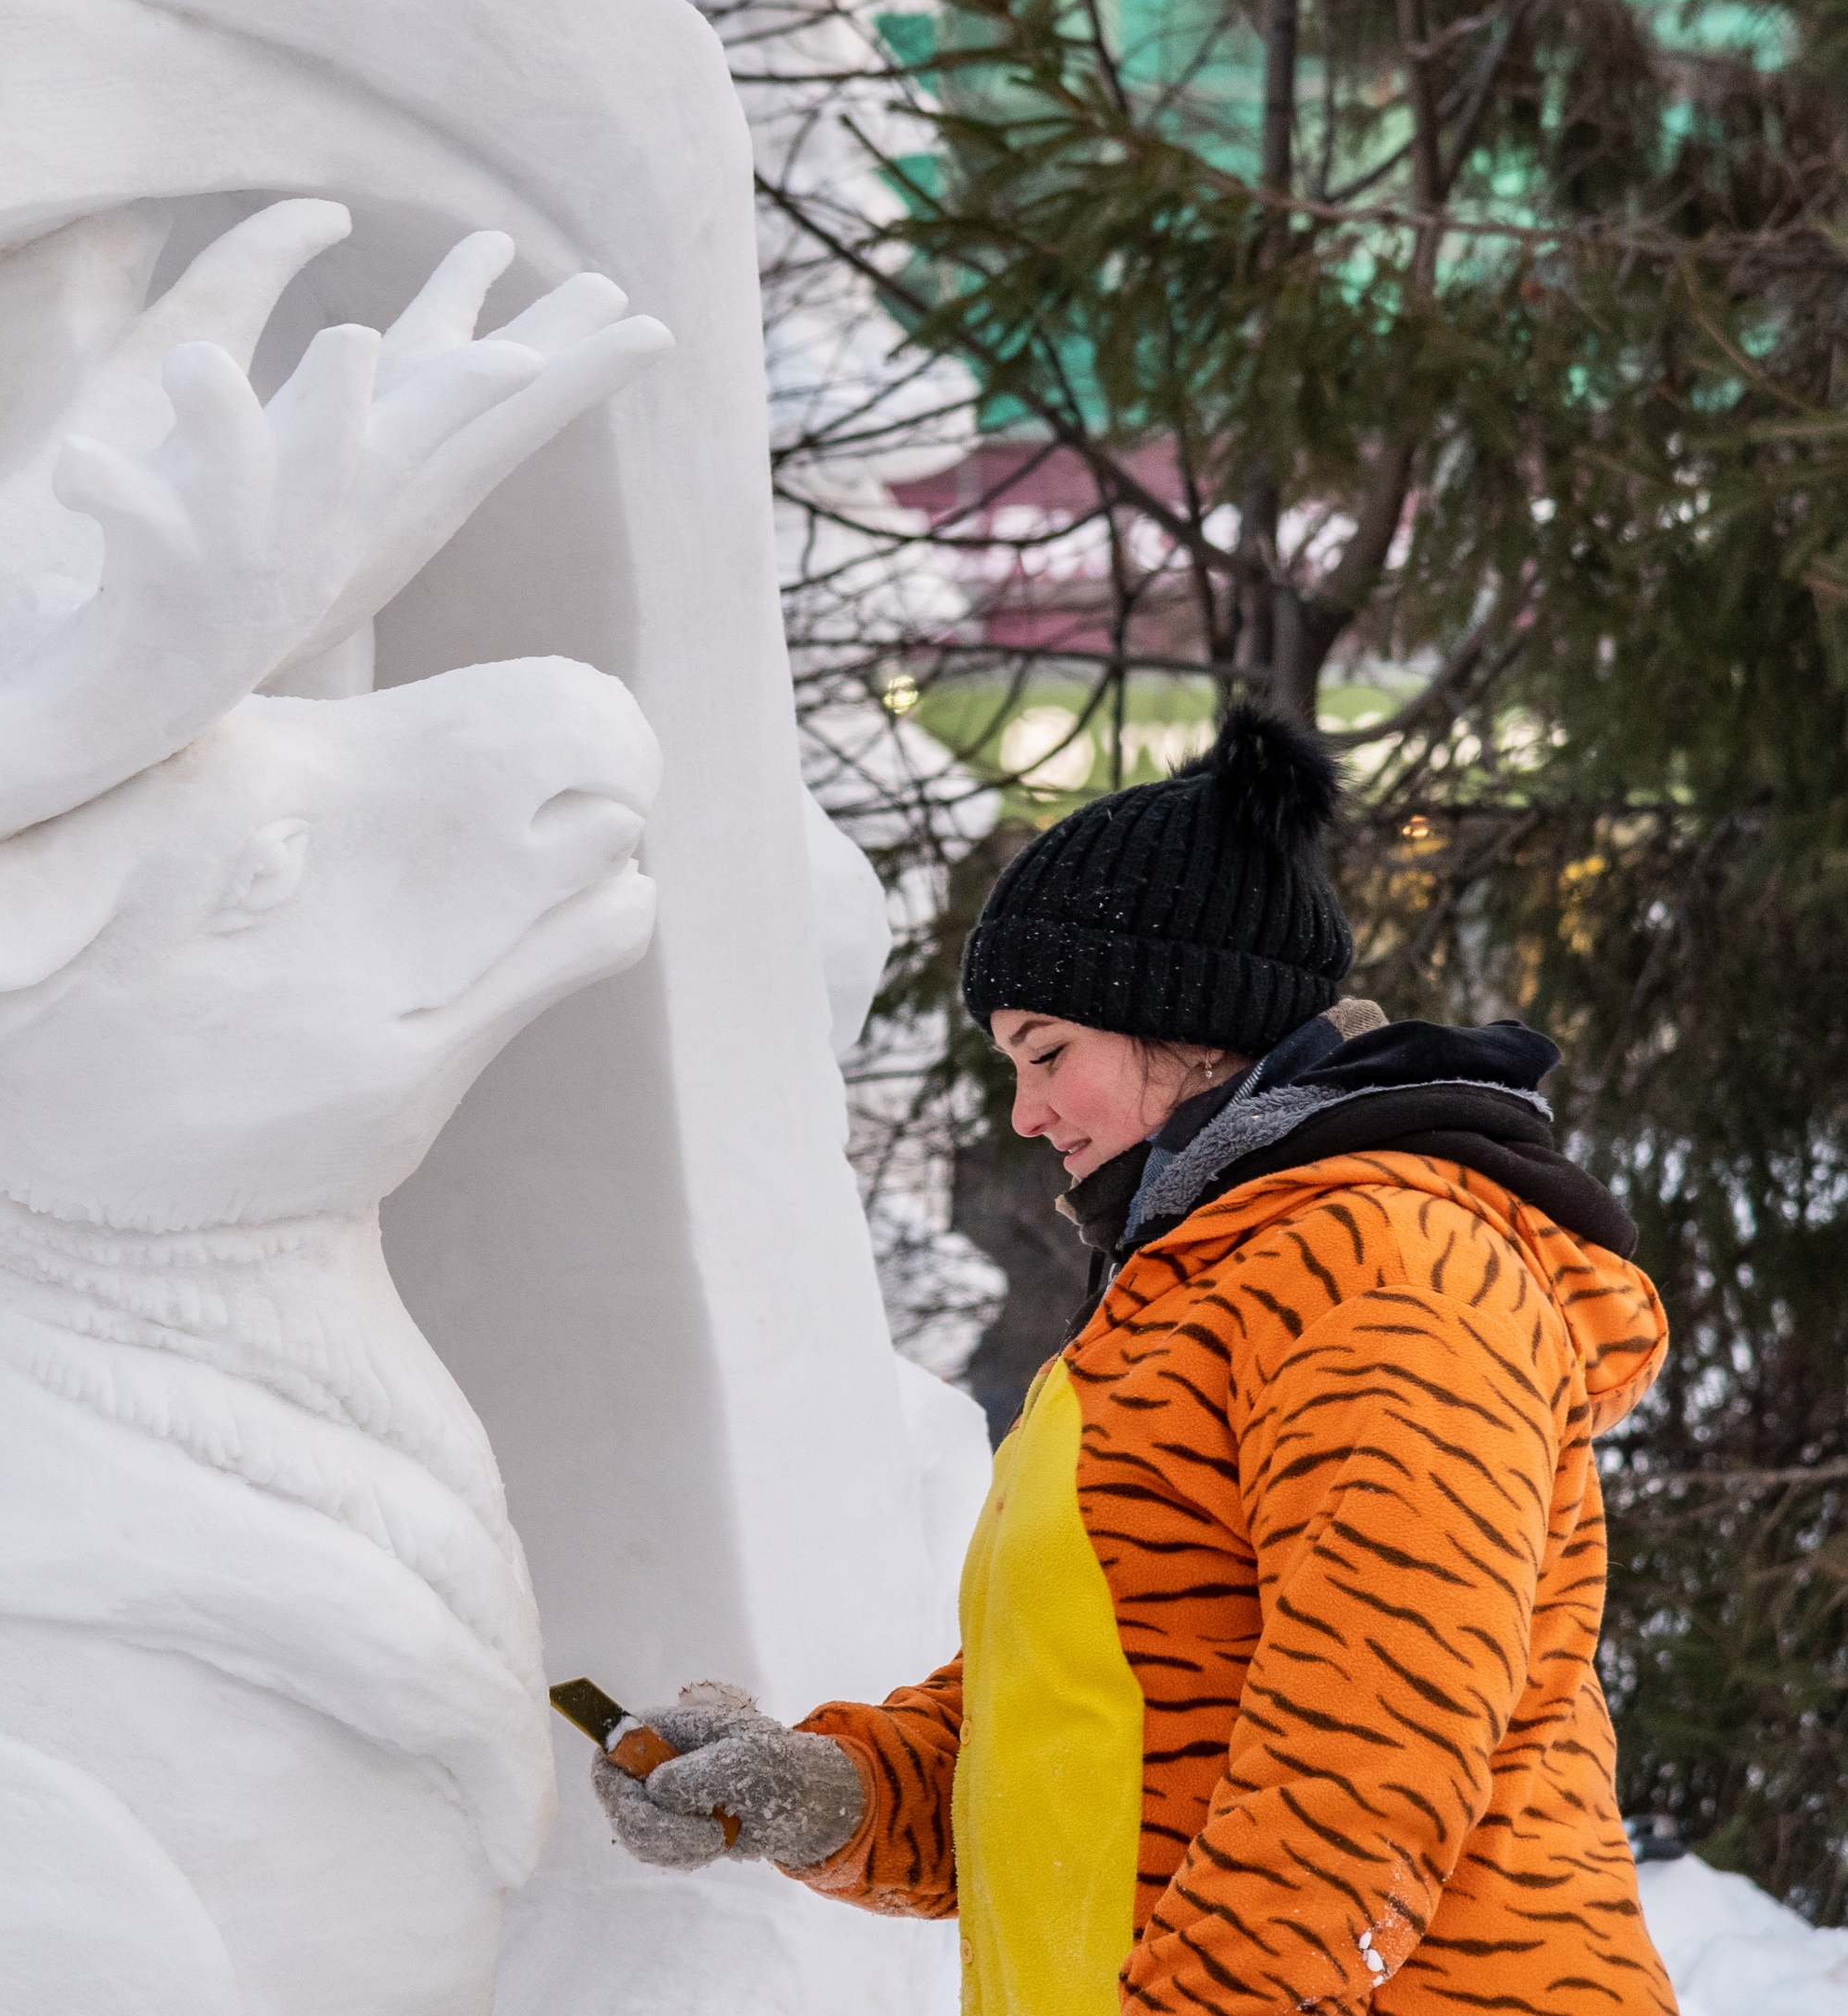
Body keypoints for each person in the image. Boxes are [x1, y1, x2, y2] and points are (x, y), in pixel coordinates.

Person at [592, 705, 1677, 2016]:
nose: (1024, 1111)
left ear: (1190, 1017)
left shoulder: (1379, 1265)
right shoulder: (1187, 1288)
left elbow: (1369, 1748)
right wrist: (832, 1790)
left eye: (1048, 1052)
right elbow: (1089, 1724)